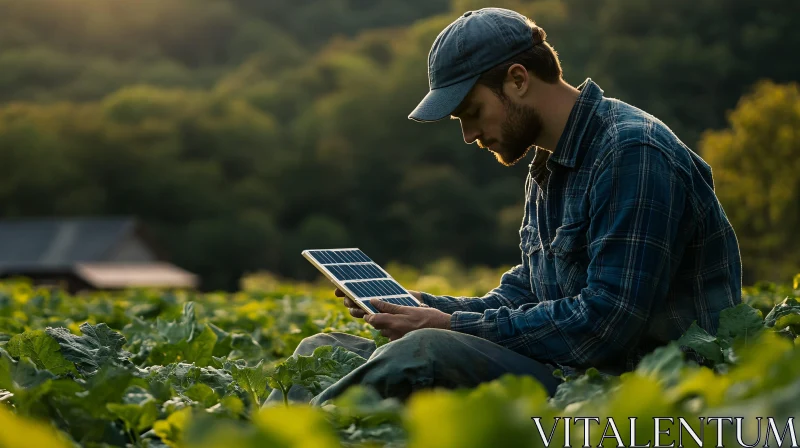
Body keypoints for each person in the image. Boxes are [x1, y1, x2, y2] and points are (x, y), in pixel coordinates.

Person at [264, 7, 742, 407]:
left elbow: (605, 325)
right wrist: (421, 308)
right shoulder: (547, 166)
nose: (470, 135)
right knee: (321, 349)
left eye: (471, 112)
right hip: (569, 369)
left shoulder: (633, 153)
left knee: (425, 352)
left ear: (517, 80)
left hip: (638, 391)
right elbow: (526, 294)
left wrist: (448, 327)